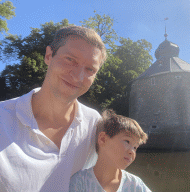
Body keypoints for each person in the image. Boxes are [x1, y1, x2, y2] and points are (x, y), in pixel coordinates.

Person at [0, 26, 107, 191]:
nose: (78, 77)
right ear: (49, 55)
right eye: (70, 59)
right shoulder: (2, 119)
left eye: (90, 69)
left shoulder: (95, 125)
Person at [69, 109, 152, 192]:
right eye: (127, 141)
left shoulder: (135, 185)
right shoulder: (80, 181)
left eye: (135, 147)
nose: (132, 152)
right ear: (103, 139)